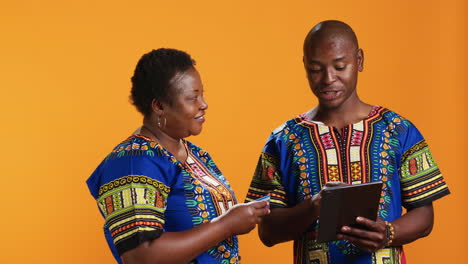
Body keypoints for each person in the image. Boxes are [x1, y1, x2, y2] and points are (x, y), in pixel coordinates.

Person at [245, 20, 450, 264]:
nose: (328, 78)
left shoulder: (398, 130)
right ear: (304, 66)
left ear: (359, 61)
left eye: (340, 67)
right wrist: (314, 206)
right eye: (315, 69)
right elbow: (267, 232)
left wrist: (387, 233)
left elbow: (425, 216)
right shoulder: (284, 140)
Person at [87, 48, 269, 264]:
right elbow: (140, 256)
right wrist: (226, 225)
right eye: (193, 98)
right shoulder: (134, 162)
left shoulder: (196, 154)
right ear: (159, 106)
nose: (204, 104)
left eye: (202, 94)